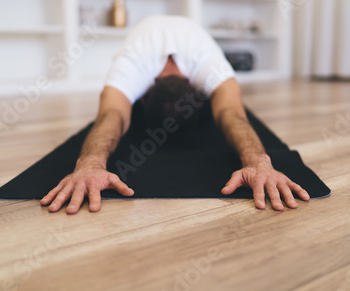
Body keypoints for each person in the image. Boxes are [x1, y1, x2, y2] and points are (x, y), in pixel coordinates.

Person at [40, 15, 310, 214]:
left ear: (143, 98)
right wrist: (89, 166)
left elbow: (112, 115)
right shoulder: (133, 63)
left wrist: (259, 163)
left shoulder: (209, 63)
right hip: (152, 32)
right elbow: (230, 113)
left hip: (183, 31)